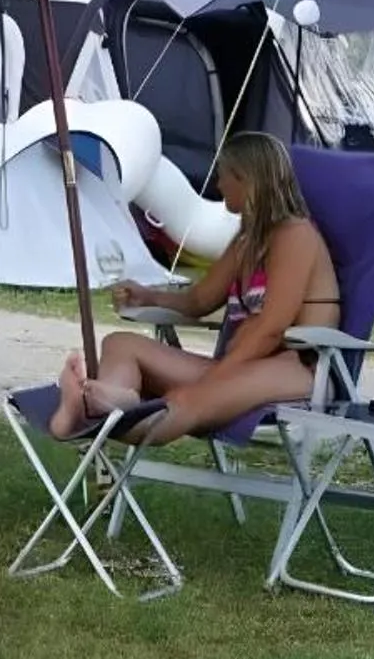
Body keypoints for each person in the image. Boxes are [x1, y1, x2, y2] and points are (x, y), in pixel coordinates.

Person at [48, 133, 340, 445]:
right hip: (242, 366)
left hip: (294, 369)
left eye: (224, 175)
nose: (218, 184)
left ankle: (94, 415)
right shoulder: (247, 240)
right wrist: (149, 295)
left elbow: (271, 327)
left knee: (187, 400)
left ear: (248, 180)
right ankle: (112, 402)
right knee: (120, 344)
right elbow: (200, 299)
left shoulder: (295, 235)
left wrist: (218, 376)